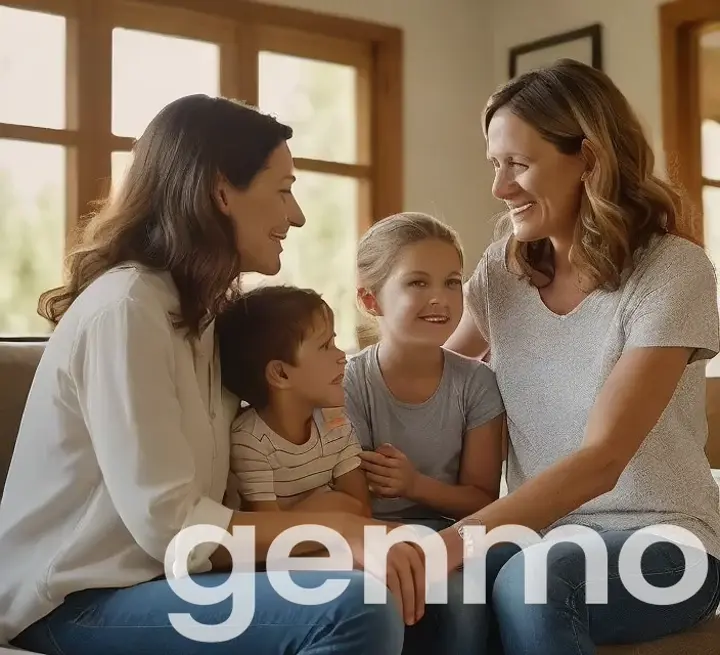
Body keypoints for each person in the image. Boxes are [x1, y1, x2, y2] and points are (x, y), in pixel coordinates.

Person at [0, 94, 426, 655]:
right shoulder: (127, 308)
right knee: (354, 609)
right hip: (70, 602)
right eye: (282, 190)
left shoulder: (202, 317)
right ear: (222, 192)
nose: (295, 215)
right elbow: (175, 528)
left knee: (409, 582)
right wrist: (340, 531)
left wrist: (350, 527)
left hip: (163, 581)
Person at [434, 59, 720, 653]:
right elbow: (431, 380)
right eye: (495, 164)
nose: (499, 187)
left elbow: (603, 459)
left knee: (533, 580)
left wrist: (454, 538)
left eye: (519, 163)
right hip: (542, 536)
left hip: (665, 542)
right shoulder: (501, 271)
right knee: (449, 592)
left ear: (588, 159)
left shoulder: (672, 270)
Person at [344, 211, 506, 654]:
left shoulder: (477, 383)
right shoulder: (348, 382)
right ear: (370, 300)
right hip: (369, 539)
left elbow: (483, 499)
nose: (441, 298)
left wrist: (416, 485)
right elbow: (354, 506)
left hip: (454, 535)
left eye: (452, 282)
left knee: (462, 601)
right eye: (418, 283)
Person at [216, 285, 371, 516]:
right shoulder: (251, 441)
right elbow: (273, 536)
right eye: (325, 346)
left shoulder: (335, 423)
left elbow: (361, 511)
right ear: (281, 374)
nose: (341, 356)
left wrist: (299, 516)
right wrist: (329, 505)